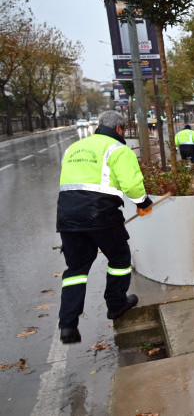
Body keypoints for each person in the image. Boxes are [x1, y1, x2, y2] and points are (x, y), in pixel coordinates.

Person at [56, 110, 153, 344]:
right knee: (119, 259)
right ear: (119, 128)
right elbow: (131, 184)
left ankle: (68, 325)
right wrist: (143, 203)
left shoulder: (74, 148)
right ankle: (117, 304)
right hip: (101, 214)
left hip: (67, 214)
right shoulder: (118, 149)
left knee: (75, 269)